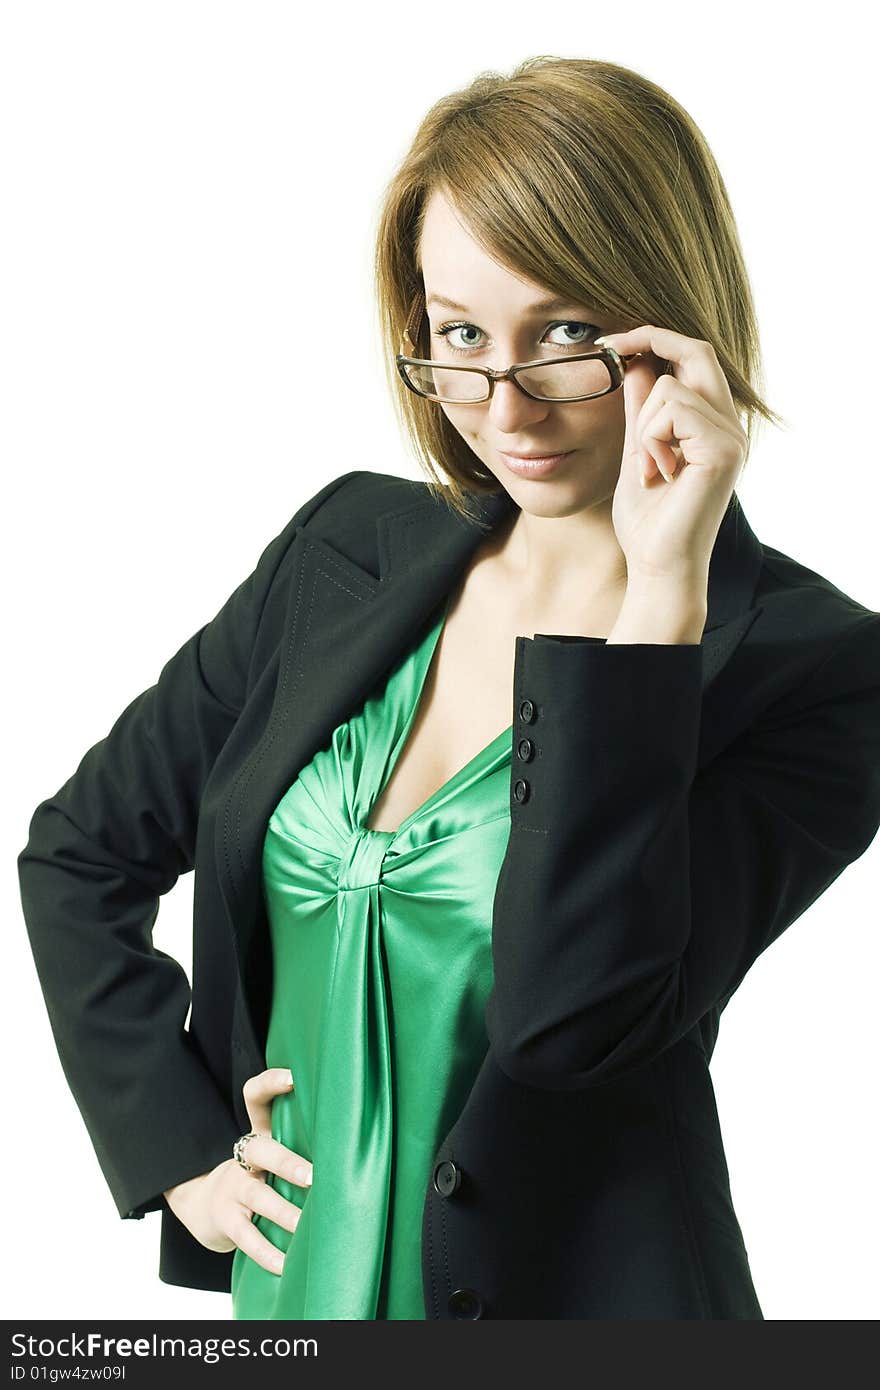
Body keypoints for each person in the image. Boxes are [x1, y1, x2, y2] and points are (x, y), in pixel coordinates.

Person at [17, 55, 880, 1320]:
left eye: (569, 334)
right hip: (295, 1292)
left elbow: (571, 1022)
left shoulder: (812, 671)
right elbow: (80, 853)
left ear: (673, 321)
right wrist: (180, 1150)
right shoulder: (343, 552)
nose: (506, 403)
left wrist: (657, 606)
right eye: (461, 336)